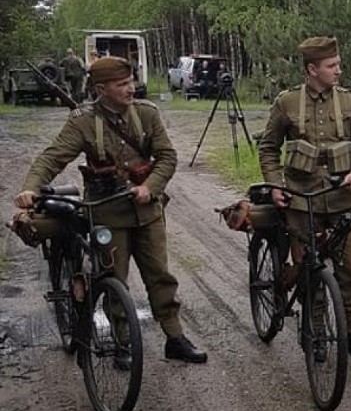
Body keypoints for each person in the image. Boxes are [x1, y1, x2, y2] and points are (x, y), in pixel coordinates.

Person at [14, 56, 207, 364]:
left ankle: (175, 337)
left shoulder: (146, 114)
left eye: (130, 82)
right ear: (101, 89)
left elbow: (167, 156)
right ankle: (123, 342)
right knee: (114, 278)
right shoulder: (83, 121)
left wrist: (150, 187)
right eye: (122, 85)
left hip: (147, 211)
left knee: (160, 275)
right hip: (107, 213)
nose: (130, 88)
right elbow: (52, 158)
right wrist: (30, 187)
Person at [258, 36, 351, 359]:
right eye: (332, 66)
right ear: (312, 69)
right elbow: (268, 148)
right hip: (300, 202)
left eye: (338, 64)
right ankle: (318, 332)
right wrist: (275, 185)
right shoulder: (286, 102)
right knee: (308, 270)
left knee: (350, 272)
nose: (339, 70)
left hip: (343, 201)